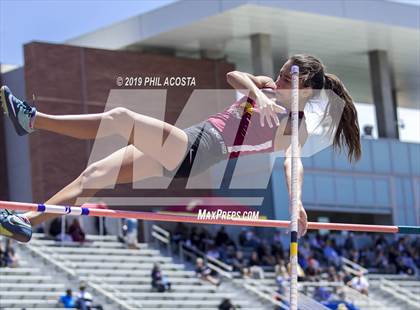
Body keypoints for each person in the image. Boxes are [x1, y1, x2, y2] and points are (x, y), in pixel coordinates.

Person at [0, 54, 361, 242]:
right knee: (92, 176)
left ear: (306, 87)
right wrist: (258, 95)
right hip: (188, 141)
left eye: (286, 77)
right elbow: (233, 77)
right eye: (281, 73)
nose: (279, 79)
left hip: (199, 150)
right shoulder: (265, 87)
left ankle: (33, 120)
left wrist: (296, 202)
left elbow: (292, 162)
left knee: (122, 116)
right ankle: (27, 224)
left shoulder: (294, 124)